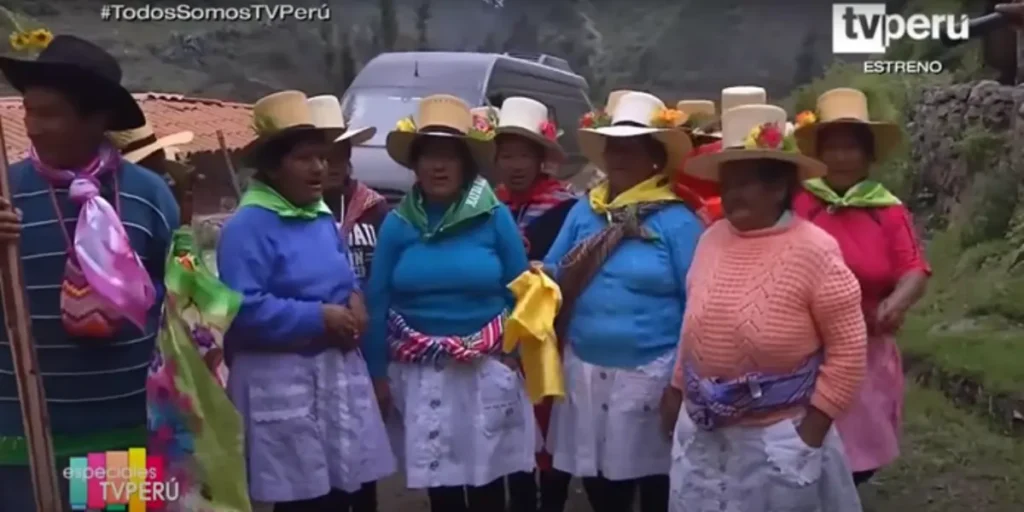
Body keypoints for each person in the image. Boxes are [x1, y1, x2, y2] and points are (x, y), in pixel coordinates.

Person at [0, 35, 180, 509]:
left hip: (125, 434)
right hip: (23, 439)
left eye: (50, 113)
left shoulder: (150, 196)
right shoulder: (4, 193)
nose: (33, 128)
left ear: (98, 119)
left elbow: (181, 311)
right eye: (28, 112)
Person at [664, 103, 867, 511]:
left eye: (745, 182)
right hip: (704, 431)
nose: (731, 193)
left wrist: (809, 433)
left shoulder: (814, 249)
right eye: (728, 181)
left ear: (777, 187)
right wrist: (677, 390)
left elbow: (848, 350)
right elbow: (695, 324)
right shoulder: (712, 239)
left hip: (779, 437)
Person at [218, 90, 395, 512]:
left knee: (343, 492)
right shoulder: (248, 226)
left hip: (334, 376)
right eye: (304, 158)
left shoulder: (317, 216)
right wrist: (320, 317)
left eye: (322, 157)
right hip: (280, 382)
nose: (320, 167)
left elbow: (341, 272)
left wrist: (354, 298)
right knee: (303, 500)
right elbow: (243, 307)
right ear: (274, 167)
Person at [365, 94, 532, 512]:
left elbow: (523, 290)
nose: (438, 167)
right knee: (442, 485)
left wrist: (510, 352)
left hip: (485, 368)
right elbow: (378, 298)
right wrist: (377, 375)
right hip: (421, 373)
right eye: (428, 157)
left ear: (466, 164)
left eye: (449, 157)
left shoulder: (494, 217)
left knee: (488, 482)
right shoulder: (399, 222)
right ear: (415, 165)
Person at [543, 91, 703, 512]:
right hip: (587, 370)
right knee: (601, 484)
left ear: (655, 156)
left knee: (655, 484)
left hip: (651, 373)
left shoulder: (678, 221)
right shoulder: (585, 211)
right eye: (614, 144)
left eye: (633, 145)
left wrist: (680, 382)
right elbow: (555, 273)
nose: (620, 154)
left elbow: (698, 306)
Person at [792, 87, 930, 487]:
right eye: (831, 147)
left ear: (868, 155)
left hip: (865, 345)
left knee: (857, 460)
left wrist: (897, 302)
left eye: (850, 148)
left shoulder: (887, 210)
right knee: (799, 451)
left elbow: (914, 268)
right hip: (801, 346)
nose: (840, 157)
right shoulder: (798, 204)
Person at [490, 96, 577, 512]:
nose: (516, 164)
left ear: (542, 157)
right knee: (508, 422)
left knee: (550, 424)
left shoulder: (566, 207)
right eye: (507, 154)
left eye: (525, 154)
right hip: (500, 335)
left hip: (549, 335)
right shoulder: (487, 206)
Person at [307, 94, 389, 283]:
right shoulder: (294, 212)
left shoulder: (373, 207)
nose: (334, 165)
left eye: (341, 155)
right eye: (324, 157)